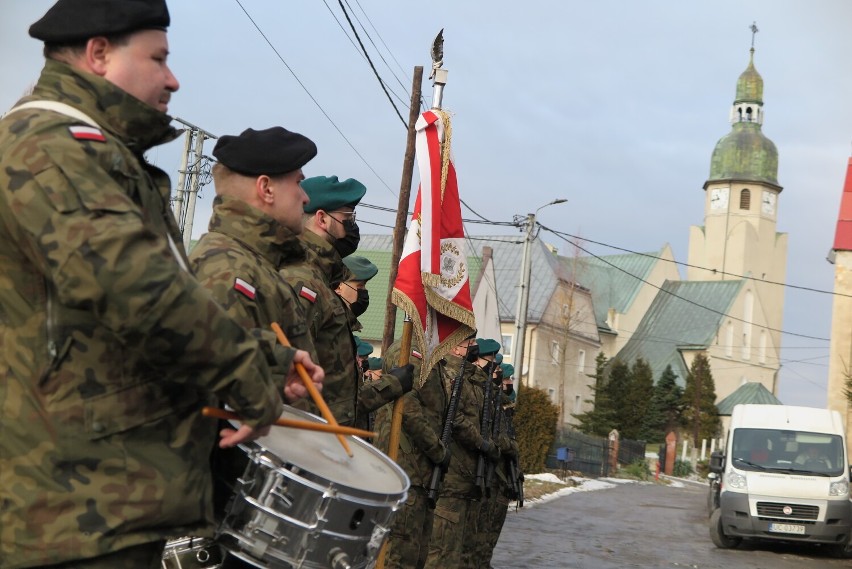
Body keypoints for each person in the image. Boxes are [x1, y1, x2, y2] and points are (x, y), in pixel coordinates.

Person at [0, 2, 313, 567]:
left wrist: (268, 360)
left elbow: (130, 315)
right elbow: (138, 291)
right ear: (99, 54)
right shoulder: (49, 147)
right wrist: (246, 376)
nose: (173, 79)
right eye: (158, 59)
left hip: (98, 499)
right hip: (67, 508)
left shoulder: (94, 153)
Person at [187, 126, 327, 567]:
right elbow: (210, 383)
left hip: (239, 498)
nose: (305, 198)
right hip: (221, 505)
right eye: (298, 182)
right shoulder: (228, 267)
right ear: (266, 188)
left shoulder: (257, 266)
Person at [282, 175, 412, 427]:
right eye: (347, 219)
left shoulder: (320, 278)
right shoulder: (303, 282)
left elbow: (336, 390)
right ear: (321, 219)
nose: (352, 228)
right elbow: (289, 378)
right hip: (309, 438)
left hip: (327, 437)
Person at [425, 336, 498, 569]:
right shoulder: (451, 376)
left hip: (464, 481)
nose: (473, 347)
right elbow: (453, 418)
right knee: (441, 554)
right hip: (451, 478)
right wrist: (480, 442)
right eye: (469, 341)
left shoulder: (467, 378)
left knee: (455, 554)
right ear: (455, 346)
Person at [375, 340, 448, 569]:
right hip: (406, 468)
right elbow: (408, 408)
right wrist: (437, 450)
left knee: (416, 554)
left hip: (420, 473)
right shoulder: (409, 352)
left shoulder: (430, 355)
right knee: (399, 554)